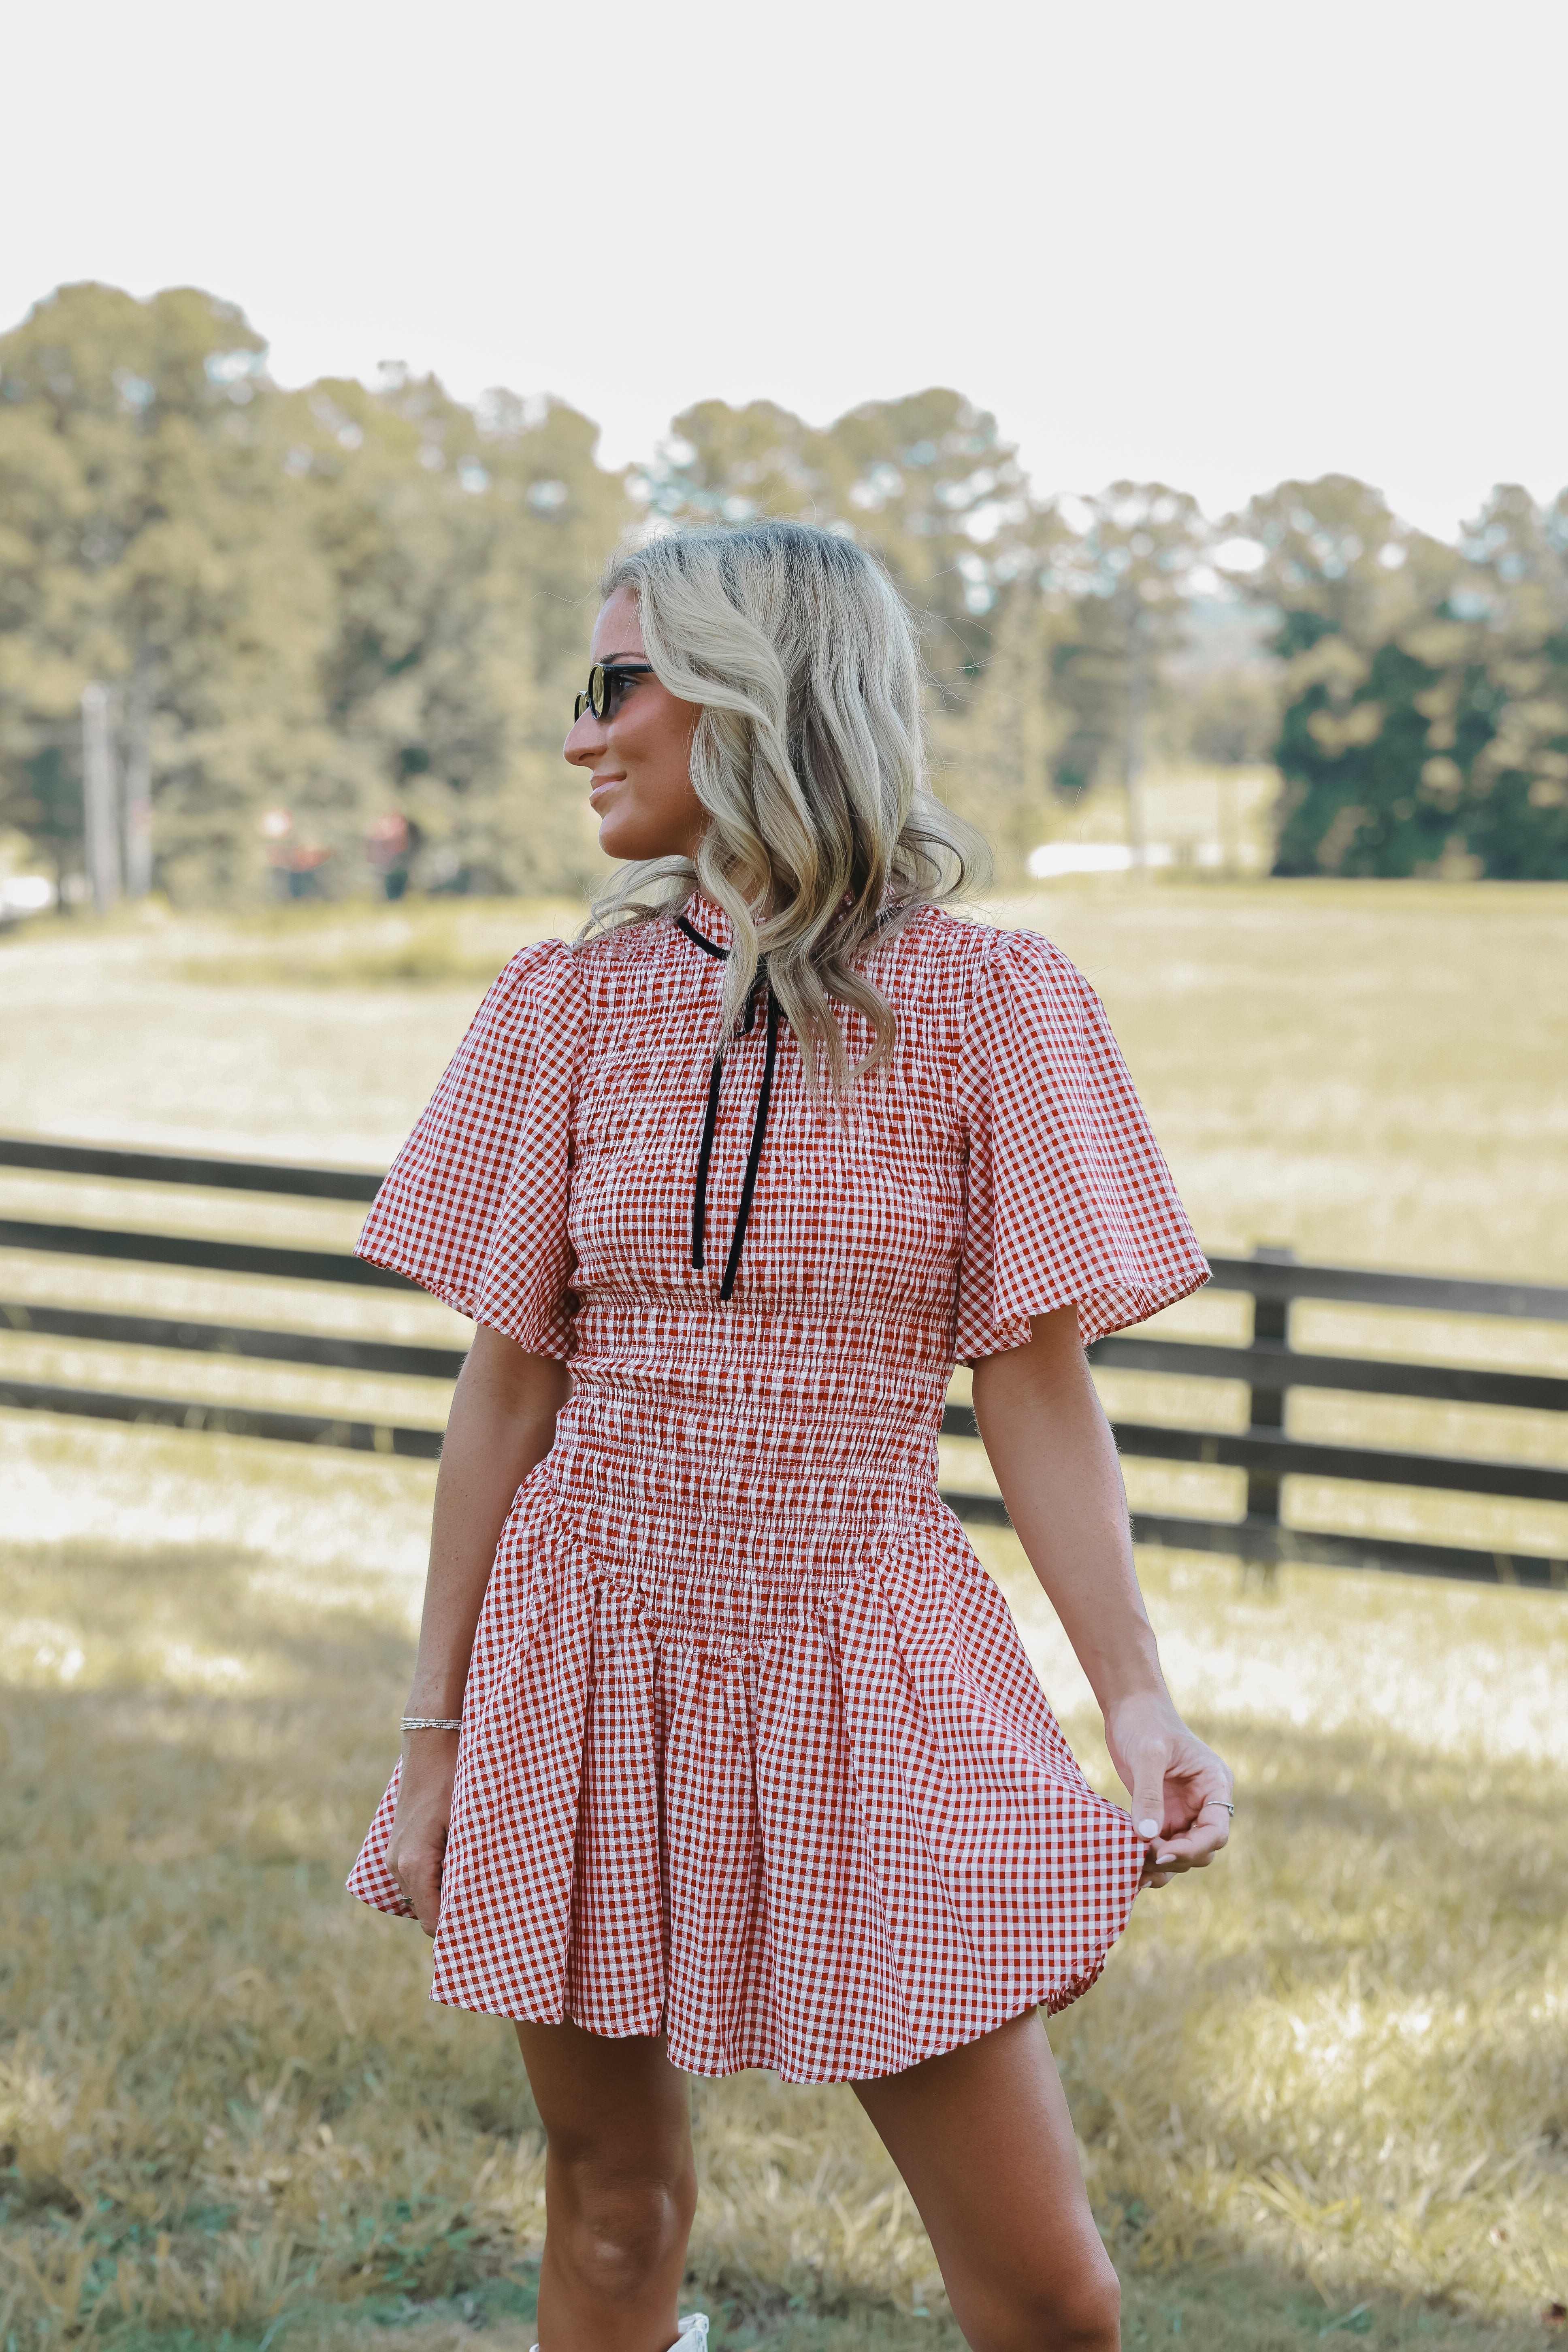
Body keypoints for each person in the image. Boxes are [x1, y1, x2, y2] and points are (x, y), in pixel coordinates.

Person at [347, 520, 1234, 2352]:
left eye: (617, 685)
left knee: (1053, 2298)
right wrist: (431, 1743)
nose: (578, 734)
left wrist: (1136, 1699)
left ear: (755, 697)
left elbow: (1035, 1380)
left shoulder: (994, 1008)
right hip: (581, 1650)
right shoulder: (564, 1005)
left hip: (862, 1650)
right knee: (613, 2214)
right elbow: (506, 1388)